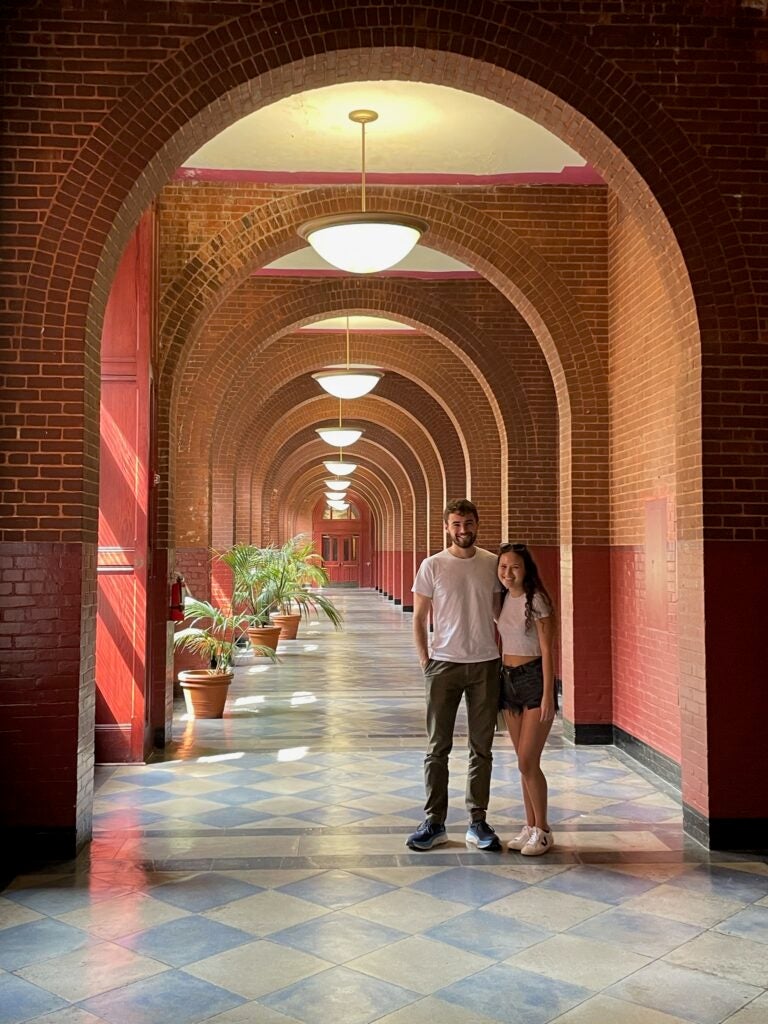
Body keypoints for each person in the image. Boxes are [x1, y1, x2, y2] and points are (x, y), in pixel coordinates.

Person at [406, 499, 502, 851]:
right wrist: (424, 662)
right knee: (437, 749)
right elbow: (418, 618)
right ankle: (434, 821)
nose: (464, 530)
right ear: (447, 527)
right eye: (457, 524)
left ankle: (478, 822)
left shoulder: (492, 563)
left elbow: (498, 613)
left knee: (482, 747)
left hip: (485, 664)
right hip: (443, 664)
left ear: (478, 524)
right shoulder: (432, 565)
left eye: (469, 523)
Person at [495, 542, 557, 856]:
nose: (508, 573)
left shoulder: (538, 601)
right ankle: (530, 825)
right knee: (522, 762)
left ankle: (544, 830)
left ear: (526, 569)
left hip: (533, 680)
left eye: (515, 567)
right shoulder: (504, 599)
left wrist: (549, 694)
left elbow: (547, 650)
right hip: (508, 681)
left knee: (527, 760)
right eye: (503, 567)